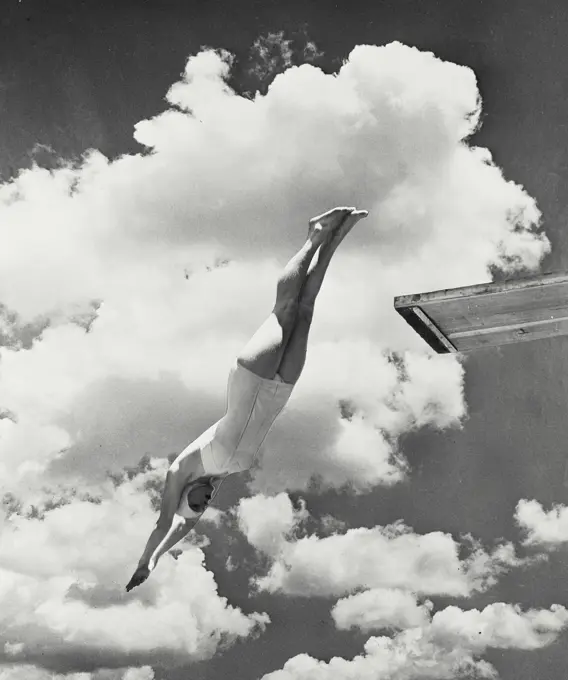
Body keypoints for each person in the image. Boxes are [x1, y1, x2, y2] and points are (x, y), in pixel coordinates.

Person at [125, 206, 368, 592]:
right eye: (204, 508)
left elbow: (167, 525)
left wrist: (148, 561)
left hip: (250, 378)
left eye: (196, 506)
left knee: (286, 308)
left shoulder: (182, 470)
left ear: (187, 496)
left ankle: (314, 234)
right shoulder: (223, 474)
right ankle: (336, 240)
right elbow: (188, 524)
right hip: (281, 388)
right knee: (305, 312)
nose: (202, 506)